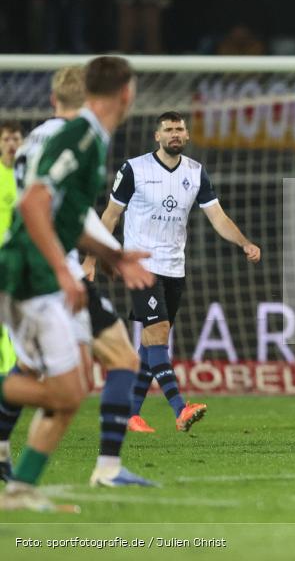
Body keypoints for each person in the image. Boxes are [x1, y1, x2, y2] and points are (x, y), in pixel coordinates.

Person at [0, 56, 155, 511]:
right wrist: (66, 270)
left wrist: (112, 254)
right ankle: (99, 470)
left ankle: (21, 487)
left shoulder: (86, 138)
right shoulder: (81, 137)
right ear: (126, 93)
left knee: (69, 387)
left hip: (43, 268)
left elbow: (62, 215)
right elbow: (33, 204)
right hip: (34, 271)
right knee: (70, 387)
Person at [85, 111, 261, 434]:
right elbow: (110, 216)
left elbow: (218, 218)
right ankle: (180, 408)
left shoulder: (195, 173)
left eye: (180, 129)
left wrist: (244, 242)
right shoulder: (134, 169)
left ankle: (131, 413)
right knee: (158, 334)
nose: (175, 134)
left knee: (153, 343)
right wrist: (92, 259)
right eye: (168, 129)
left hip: (174, 267)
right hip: (140, 266)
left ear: (187, 135)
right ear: (157, 136)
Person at [0, 121, 23, 376]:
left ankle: (12, 376)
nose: (11, 144)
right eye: (6, 139)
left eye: (15, 139)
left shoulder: (28, 178)